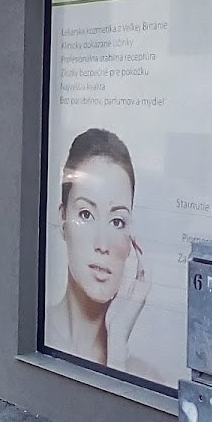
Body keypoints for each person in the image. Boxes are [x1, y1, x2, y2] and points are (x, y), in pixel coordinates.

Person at [45, 128, 151, 374]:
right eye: (86, 214)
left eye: (117, 222)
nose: (102, 244)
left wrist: (117, 341)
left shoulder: (148, 377)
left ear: (132, 240)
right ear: (62, 219)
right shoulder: (31, 333)